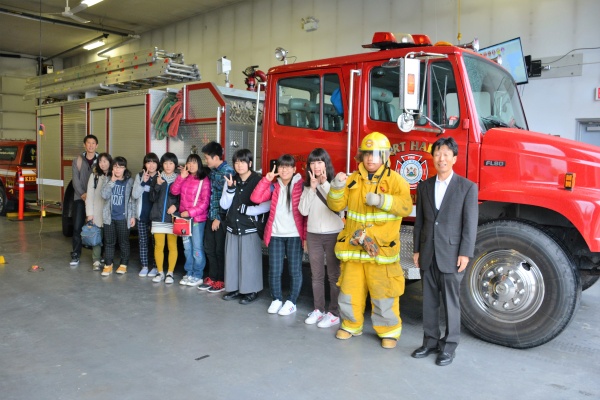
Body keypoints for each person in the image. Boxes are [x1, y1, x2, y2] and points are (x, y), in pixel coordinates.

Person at [327, 132, 412, 349]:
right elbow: (336, 206)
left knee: (384, 294)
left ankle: (389, 331)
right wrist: (336, 187)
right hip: (354, 250)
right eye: (367, 154)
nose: (370, 159)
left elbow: (405, 206)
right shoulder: (352, 179)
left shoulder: (397, 181)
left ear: (385, 156)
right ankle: (350, 325)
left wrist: (382, 200)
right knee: (349, 291)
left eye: (375, 154)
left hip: (380, 252)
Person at [411, 136, 478, 366]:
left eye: (446, 154)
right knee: (428, 302)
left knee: (451, 303)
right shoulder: (425, 186)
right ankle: (430, 342)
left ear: (454, 158)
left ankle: (449, 346)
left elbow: (469, 225)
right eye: (438, 153)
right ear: (433, 157)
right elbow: (420, 222)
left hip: (451, 254)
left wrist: (465, 253)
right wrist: (417, 250)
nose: (441, 158)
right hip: (428, 253)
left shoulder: (467, 187)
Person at [251, 154, 307, 316]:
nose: (284, 170)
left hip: (294, 235)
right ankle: (276, 299)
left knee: (294, 271)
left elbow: (306, 213)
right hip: (275, 234)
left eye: (288, 167)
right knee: (275, 270)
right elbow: (256, 198)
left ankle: (291, 302)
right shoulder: (273, 186)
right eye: (281, 167)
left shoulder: (301, 186)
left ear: (294, 169)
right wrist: (266, 180)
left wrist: (305, 237)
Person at [298, 148, 344, 328]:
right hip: (314, 235)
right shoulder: (307, 186)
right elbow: (303, 211)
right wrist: (312, 188)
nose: (316, 166)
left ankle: (334, 313)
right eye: (312, 162)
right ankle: (318, 309)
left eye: (319, 162)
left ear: (326, 163)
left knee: (334, 276)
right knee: (316, 275)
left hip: (333, 234)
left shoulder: (336, 183)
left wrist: (324, 185)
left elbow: (338, 206)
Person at [219, 149, 269, 304]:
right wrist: (230, 190)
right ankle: (234, 288)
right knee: (232, 260)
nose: (239, 165)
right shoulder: (231, 179)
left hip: (250, 226)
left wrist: (248, 210)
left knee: (249, 260)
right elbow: (224, 204)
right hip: (232, 225)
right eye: (236, 162)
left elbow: (267, 204)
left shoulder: (258, 180)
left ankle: (250, 291)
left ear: (250, 163)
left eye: (242, 161)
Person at [170, 154, 211, 287]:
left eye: (194, 162)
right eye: (189, 162)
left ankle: (198, 274)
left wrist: (190, 212)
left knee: (197, 248)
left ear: (199, 164)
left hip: (197, 219)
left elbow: (205, 202)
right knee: (187, 248)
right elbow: (174, 191)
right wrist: (181, 177)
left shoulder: (203, 180)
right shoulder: (184, 177)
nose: (192, 165)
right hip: (184, 220)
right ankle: (189, 272)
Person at [199, 141, 234, 293]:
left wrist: (219, 218)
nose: (205, 161)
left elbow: (228, 199)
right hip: (210, 215)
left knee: (220, 250)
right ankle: (212, 277)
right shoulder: (214, 171)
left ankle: (221, 280)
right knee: (209, 248)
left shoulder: (227, 172)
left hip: (220, 219)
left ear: (215, 157)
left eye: (207, 158)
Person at [100, 156, 136, 276]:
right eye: (115, 167)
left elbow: (132, 200)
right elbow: (104, 195)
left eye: (121, 167)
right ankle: (108, 264)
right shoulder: (108, 179)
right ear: (112, 168)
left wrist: (132, 216)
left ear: (125, 169)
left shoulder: (129, 181)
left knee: (124, 242)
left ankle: (123, 264)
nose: (118, 170)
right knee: (109, 242)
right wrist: (112, 182)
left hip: (123, 218)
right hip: (109, 218)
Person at [149, 152, 180, 284]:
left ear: (175, 165)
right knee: (159, 246)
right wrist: (157, 184)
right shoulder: (158, 177)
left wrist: (176, 206)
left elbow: (183, 198)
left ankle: (170, 273)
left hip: (172, 218)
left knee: (172, 246)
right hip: (157, 217)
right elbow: (151, 198)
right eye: (166, 163)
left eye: (171, 163)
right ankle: (160, 272)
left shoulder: (179, 179)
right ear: (162, 164)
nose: (168, 166)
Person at [70, 134, 99, 266]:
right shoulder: (77, 161)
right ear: (84, 145)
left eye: (93, 143)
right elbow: (75, 181)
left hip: (96, 200)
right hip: (80, 198)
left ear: (96, 146)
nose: (91, 145)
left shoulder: (101, 160)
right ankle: (76, 254)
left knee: (98, 227)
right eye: (88, 143)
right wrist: (83, 194)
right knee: (77, 226)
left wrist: (92, 196)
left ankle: (98, 256)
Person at [132, 153, 160, 278]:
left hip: (156, 216)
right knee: (143, 241)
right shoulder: (139, 176)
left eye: (154, 162)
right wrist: (143, 182)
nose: (151, 165)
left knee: (156, 243)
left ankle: (155, 266)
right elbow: (134, 195)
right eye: (148, 162)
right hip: (142, 215)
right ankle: (144, 266)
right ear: (145, 164)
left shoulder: (160, 176)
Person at [85, 152, 112, 271]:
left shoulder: (114, 176)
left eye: (105, 161)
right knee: (96, 236)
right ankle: (96, 259)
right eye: (100, 161)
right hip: (96, 211)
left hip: (110, 213)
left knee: (109, 237)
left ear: (110, 162)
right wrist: (89, 214)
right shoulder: (94, 176)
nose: (102, 164)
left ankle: (106, 257)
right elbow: (89, 196)